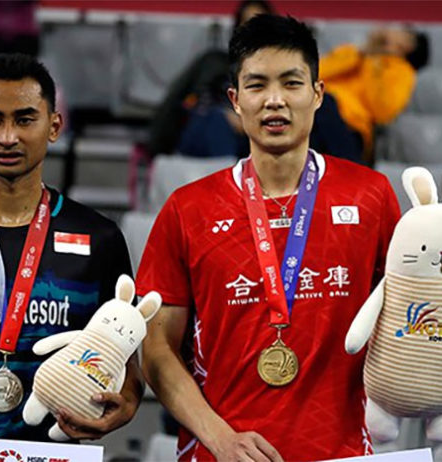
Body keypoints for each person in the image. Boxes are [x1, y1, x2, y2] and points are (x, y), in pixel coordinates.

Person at [137, 14, 401, 462]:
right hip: (219, 455)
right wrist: (220, 439)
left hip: (343, 453)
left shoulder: (370, 196)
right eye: (257, 85)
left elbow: (408, 318)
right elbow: (156, 347)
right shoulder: (189, 208)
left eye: (292, 83)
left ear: (317, 95)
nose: (274, 101)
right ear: (235, 101)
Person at [0, 53, 142, 453]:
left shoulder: (99, 238)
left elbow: (129, 356)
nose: (8, 137)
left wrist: (131, 400)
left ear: (54, 126)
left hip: (54, 451)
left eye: (25, 119)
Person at [147, 0, 275, 159]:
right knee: (217, 121)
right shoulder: (213, 62)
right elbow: (181, 101)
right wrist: (226, 114)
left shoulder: (278, 74)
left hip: (248, 141)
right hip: (203, 131)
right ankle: (226, 180)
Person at [318, 26, 429, 164]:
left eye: (402, 32)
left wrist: (375, 60)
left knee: (322, 104)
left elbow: (382, 112)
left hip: (350, 128)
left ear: (408, 45)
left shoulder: (402, 72)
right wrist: (363, 52)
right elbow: (314, 73)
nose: (391, 29)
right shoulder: (352, 52)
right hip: (317, 109)